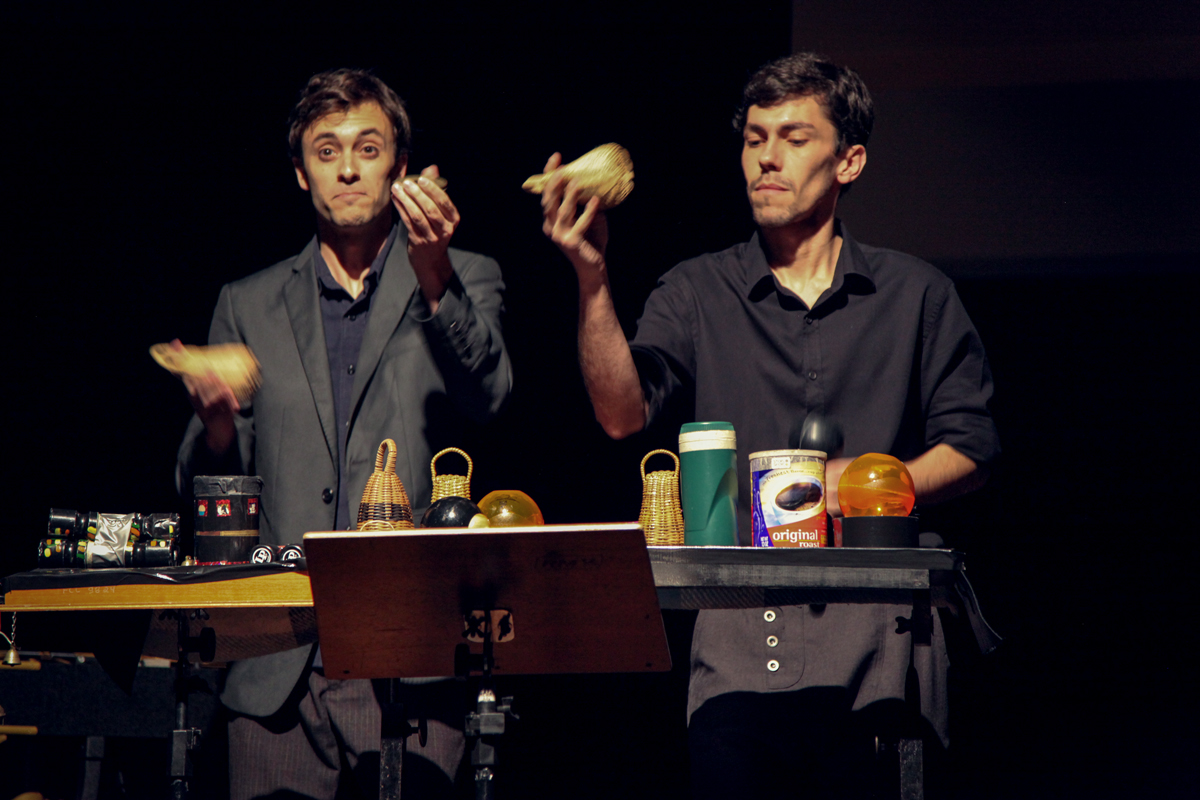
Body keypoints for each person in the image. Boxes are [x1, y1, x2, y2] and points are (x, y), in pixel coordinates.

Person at [540, 53, 999, 797]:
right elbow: (622, 414)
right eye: (754, 139)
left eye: (793, 137)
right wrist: (592, 280)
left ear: (848, 161)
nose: (766, 158)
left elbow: (973, 448)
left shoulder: (917, 292)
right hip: (741, 639)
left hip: (880, 639)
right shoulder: (698, 288)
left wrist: (869, 487)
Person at [176, 68, 512, 799]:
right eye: (327, 151)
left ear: (400, 164)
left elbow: (489, 396)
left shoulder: (464, 275)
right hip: (277, 669)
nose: (349, 169)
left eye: (368, 147)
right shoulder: (248, 302)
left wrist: (434, 276)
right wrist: (217, 425)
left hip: (413, 657)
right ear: (301, 173)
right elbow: (203, 489)